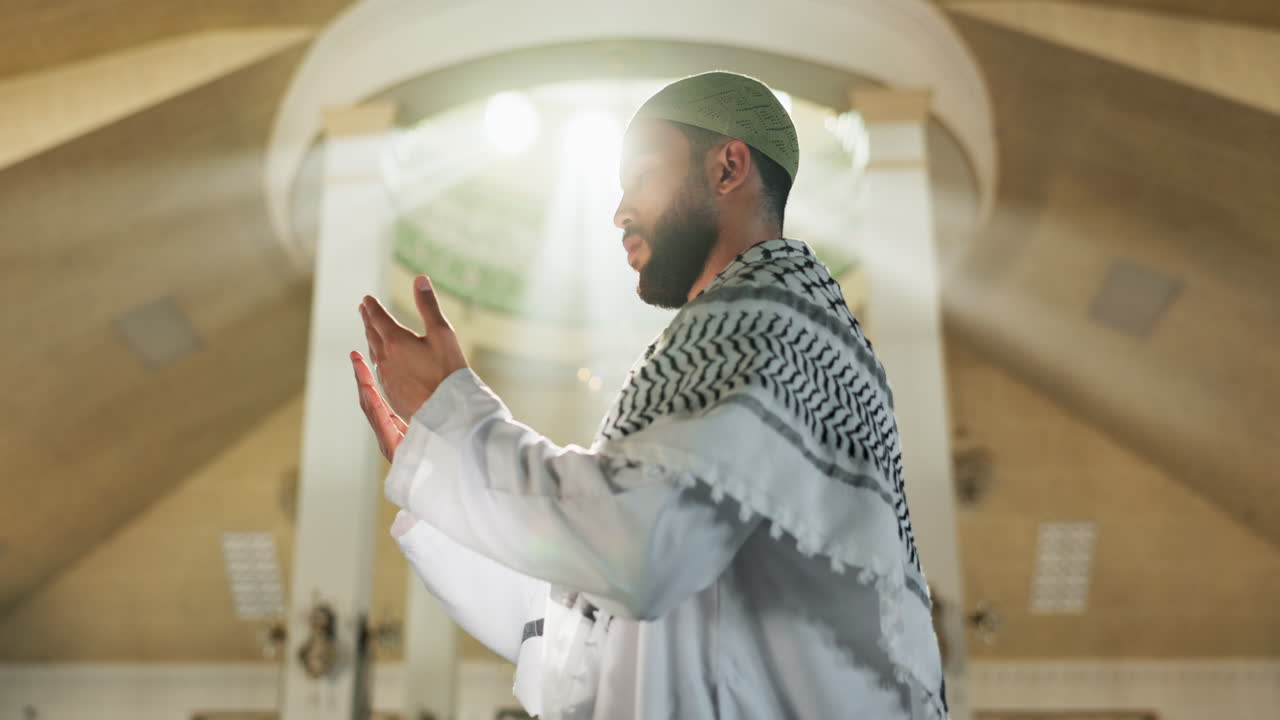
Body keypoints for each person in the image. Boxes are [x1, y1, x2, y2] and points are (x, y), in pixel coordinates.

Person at [351, 71, 947, 719]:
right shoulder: (767, 333)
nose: (620, 212)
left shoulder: (769, 318)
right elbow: (594, 628)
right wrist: (440, 466)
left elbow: (641, 552)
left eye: (640, 176)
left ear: (727, 166)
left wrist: (455, 412)